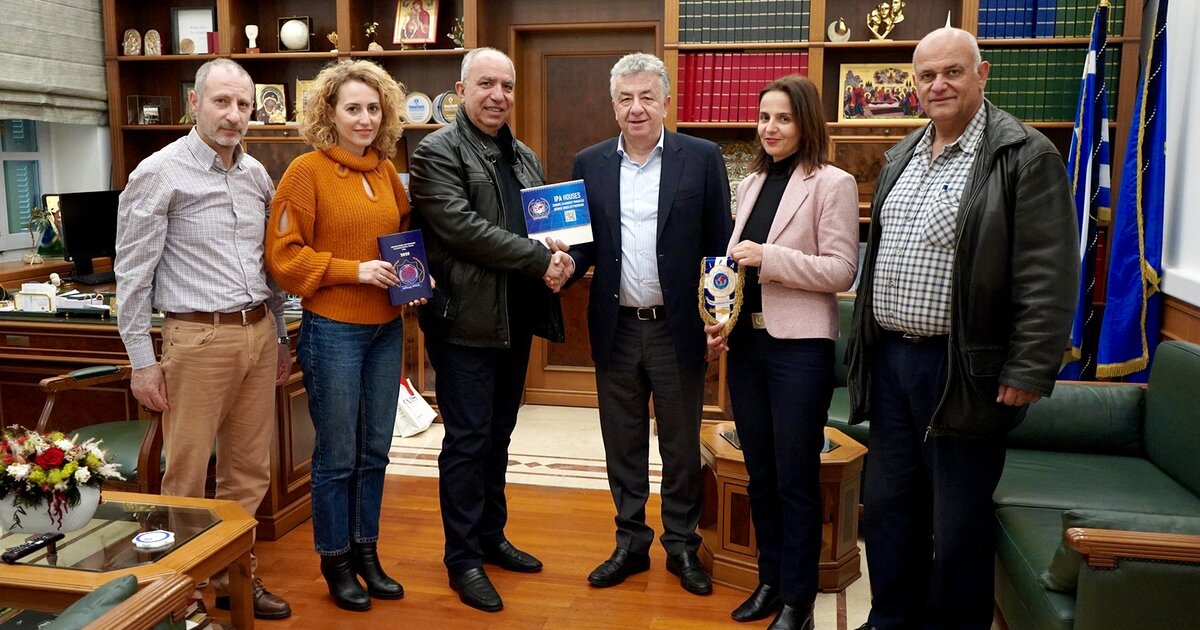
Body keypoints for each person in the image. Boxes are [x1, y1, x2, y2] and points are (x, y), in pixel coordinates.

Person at [845, 27, 1078, 630]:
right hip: (892, 363)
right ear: (914, 84)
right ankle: (890, 619)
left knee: (956, 523)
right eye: (926, 75)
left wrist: (1029, 366)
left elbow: (1048, 272)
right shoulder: (901, 154)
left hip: (964, 369)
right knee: (889, 508)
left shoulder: (1024, 155)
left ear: (982, 73)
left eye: (952, 71)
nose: (938, 84)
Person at [114, 58, 292, 620]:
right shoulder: (159, 172)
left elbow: (268, 266)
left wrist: (280, 336)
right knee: (187, 475)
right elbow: (132, 275)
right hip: (196, 340)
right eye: (221, 101)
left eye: (243, 104)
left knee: (249, 471)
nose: (233, 115)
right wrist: (142, 362)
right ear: (195, 102)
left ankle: (234, 576)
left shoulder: (256, 174)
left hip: (257, 332)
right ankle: (181, 595)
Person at [559, 52, 731, 597]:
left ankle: (681, 544)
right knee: (622, 443)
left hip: (677, 328)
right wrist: (563, 265)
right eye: (625, 98)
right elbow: (583, 246)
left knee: (680, 446)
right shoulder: (589, 163)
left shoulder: (701, 158)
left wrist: (718, 319)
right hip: (616, 327)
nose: (636, 108)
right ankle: (630, 542)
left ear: (665, 102)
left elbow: (718, 244)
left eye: (646, 97)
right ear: (613, 106)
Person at [408, 47, 572, 613]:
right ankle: (462, 558)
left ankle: (491, 536)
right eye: (485, 84)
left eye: (506, 85)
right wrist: (538, 258)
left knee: (499, 434)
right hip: (464, 323)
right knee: (467, 440)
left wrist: (561, 255)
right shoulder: (436, 151)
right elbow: (462, 228)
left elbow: (543, 225)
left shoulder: (523, 155)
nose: (498, 95)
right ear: (461, 90)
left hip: (514, 319)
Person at [265, 60, 422, 612]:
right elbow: (284, 257)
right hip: (332, 330)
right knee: (337, 455)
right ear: (329, 113)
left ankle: (366, 552)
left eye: (373, 109)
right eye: (352, 108)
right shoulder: (304, 172)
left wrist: (413, 280)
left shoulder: (386, 171)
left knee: (375, 450)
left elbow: (404, 237)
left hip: (386, 330)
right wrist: (353, 271)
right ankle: (335, 561)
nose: (364, 119)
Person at [704, 75, 859, 630]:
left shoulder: (833, 183)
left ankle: (799, 600)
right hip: (747, 347)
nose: (770, 128)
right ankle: (770, 581)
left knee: (795, 478)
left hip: (799, 351)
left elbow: (842, 270)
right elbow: (737, 268)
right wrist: (720, 320)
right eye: (764, 117)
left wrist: (769, 258)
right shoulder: (749, 183)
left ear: (806, 123)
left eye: (783, 118)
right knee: (761, 474)